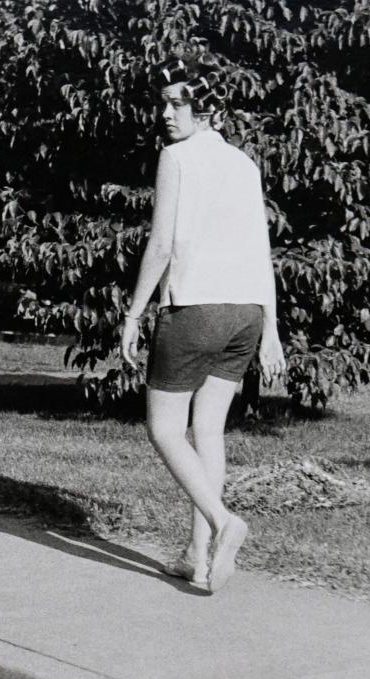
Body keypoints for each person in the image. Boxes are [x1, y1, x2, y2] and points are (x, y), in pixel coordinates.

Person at [121, 55, 286, 593]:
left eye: (179, 102)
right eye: (163, 103)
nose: (168, 113)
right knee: (207, 429)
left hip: (197, 310)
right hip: (244, 315)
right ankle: (197, 556)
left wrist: (133, 312)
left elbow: (162, 243)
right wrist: (272, 327)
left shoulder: (177, 157)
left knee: (164, 429)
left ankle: (223, 522)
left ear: (208, 107)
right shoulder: (243, 163)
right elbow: (262, 249)